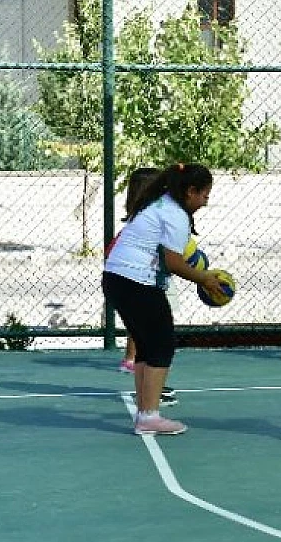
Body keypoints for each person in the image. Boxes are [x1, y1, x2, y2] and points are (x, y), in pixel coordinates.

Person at [103, 163, 225, 435]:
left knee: (147, 347)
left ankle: (146, 412)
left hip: (116, 278)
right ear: (190, 191)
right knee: (162, 345)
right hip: (135, 281)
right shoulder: (175, 215)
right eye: (205, 195)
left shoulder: (158, 203)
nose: (206, 201)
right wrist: (204, 278)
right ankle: (149, 416)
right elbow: (173, 263)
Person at [111, 167, 179, 407]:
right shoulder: (155, 216)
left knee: (148, 339)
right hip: (148, 283)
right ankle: (152, 396)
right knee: (160, 343)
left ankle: (149, 392)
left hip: (142, 283)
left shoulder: (141, 216)